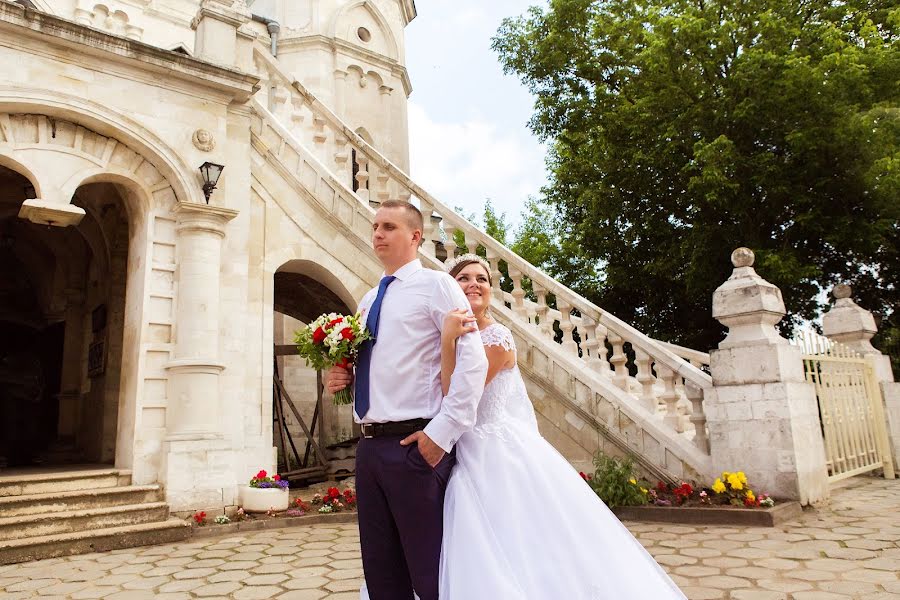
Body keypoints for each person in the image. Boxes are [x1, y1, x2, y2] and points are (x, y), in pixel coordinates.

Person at [431, 253, 687, 599]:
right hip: (463, 451)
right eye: (464, 278)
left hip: (496, 456)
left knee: (524, 544)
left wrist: (447, 343)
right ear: (451, 287)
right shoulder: (446, 336)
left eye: (483, 279)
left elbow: (456, 399)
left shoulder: (497, 340)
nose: (474, 284)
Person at [326, 201, 488, 600]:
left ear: (415, 236)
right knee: (382, 574)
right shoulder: (367, 300)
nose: (377, 233)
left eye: (389, 227)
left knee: (429, 573)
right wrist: (341, 377)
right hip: (370, 449)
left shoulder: (438, 286)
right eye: (375, 226)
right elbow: (376, 366)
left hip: (414, 447)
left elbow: (472, 361)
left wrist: (440, 436)